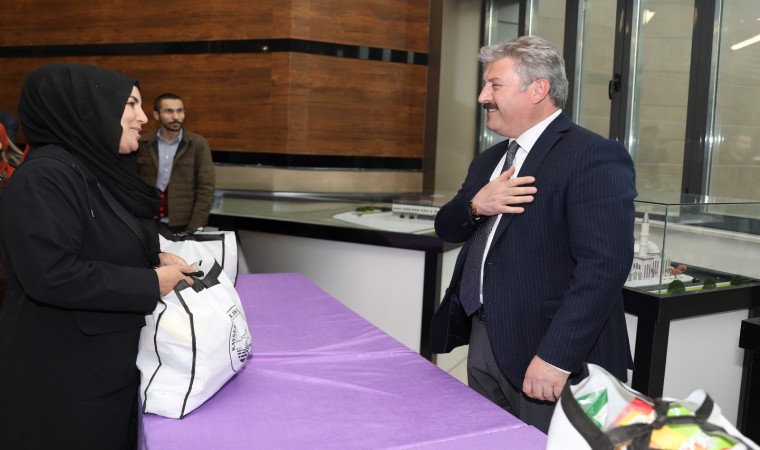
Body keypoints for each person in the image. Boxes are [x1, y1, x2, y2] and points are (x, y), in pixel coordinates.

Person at [433, 35, 636, 432]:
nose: (482, 97)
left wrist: (556, 357)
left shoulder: (592, 155)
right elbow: (447, 226)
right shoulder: (490, 160)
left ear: (538, 90)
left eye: (494, 85)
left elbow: (604, 267)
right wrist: (478, 205)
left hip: (549, 354)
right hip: (485, 337)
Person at [0, 63, 197, 449]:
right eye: (130, 104)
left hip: (105, 368)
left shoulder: (96, 170)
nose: (143, 117)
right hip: (63, 377)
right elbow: (53, 274)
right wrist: (150, 282)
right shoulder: (44, 177)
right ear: (88, 108)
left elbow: (103, 242)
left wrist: (155, 259)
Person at [136, 93, 215, 233]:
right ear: (156, 115)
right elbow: (132, 182)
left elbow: (206, 188)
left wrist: (195, 227)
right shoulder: (143, 143)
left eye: (180, 111)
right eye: (169, 111)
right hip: (147, 219)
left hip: (182, 223)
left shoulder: (198, 144)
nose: (176, 117)